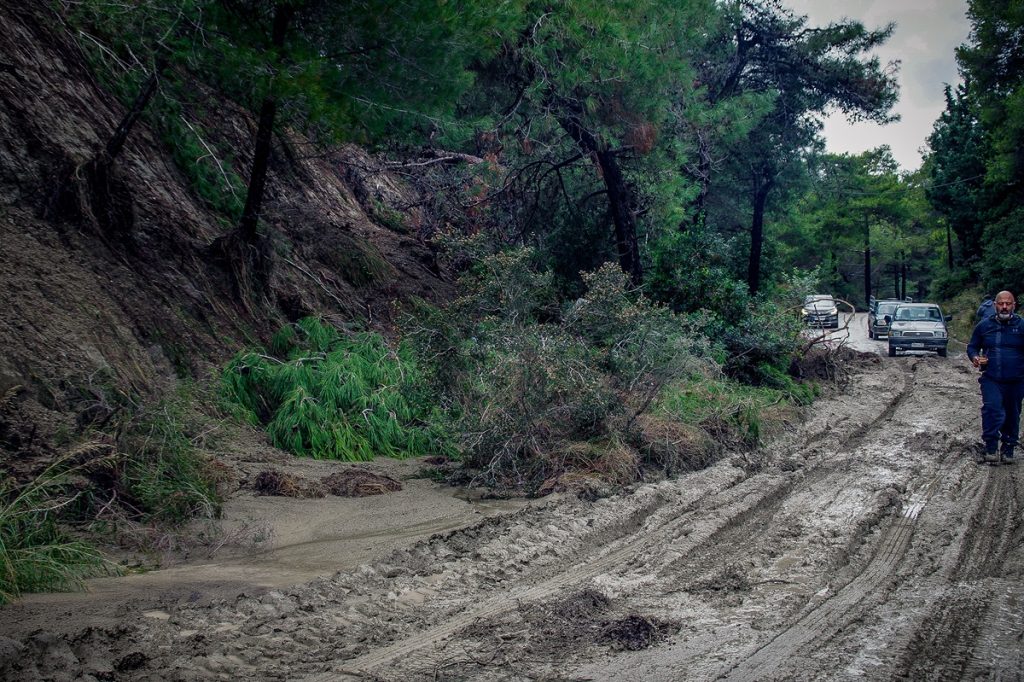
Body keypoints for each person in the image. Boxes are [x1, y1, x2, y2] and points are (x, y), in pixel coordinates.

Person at [967, 290, 1024, 464]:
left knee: (1012, 414)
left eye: (1008, 303)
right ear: (995, 305)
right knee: (992, 409)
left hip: (1017, 380)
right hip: (991, 378)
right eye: (1001, 304)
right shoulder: (984, 326)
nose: (1004, 307)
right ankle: (990, 446)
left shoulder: (1022, 325)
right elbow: (972, 347)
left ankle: (1008, 448)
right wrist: (975, 358)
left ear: (1014, 305)